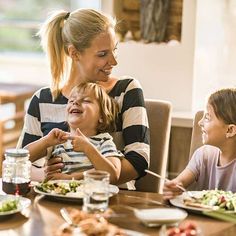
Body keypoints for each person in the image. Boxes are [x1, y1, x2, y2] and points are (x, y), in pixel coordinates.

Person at [17, 8, 150, 189]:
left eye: (114, 50)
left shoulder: (126, 90)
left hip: (109, 200)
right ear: (74, 53)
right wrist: (48, 175)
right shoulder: (42, 100)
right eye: (103, 54)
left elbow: (139, 160)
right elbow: (19, 163)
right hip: (54, 198)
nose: (114, 61)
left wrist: (74, 178)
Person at [24, 82, 123, 184]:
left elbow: (113, 175)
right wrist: (45, 141)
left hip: (90, 198)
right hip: (56, 197)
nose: (75, 102)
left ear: (101, 116)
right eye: (71, 101)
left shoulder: (104, 141)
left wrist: (87, 148)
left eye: (86, 100)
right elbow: (23, 158)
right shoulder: (58, 141)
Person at [163, 88, 236, 199]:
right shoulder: (203, 155)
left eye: (207, 117)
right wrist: (174, 187)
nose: (200, 122)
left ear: (230, 130)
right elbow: (180, 182)